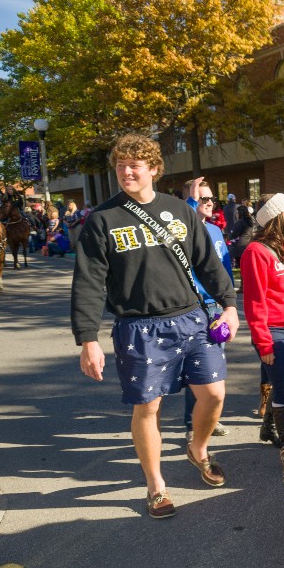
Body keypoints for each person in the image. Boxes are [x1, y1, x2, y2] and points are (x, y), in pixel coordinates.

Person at [71, 134, 238, 519]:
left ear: (154, 169)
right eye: (120, 166)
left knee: (214, 394)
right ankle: (156, 486)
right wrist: (88, 339)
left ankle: (198, 448)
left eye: (134, 165)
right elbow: (88, 283)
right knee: (148, 408)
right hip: (139, 328)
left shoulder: (179, 210)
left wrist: (229, 306)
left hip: (192, 319)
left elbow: (208, 264)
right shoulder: (102, 220)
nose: (126, 172)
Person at [241, 193, 284, 447]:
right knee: (282, 389)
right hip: (273, 332)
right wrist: (263, 343)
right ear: (276, 216)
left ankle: (268, 428)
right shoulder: (255, 252)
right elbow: (254, 302)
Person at [181, 177, 235, 441]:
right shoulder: (181, 230)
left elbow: (224, 269)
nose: (211, 203)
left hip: (215, 306)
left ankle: (210, 418)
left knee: (214, 365)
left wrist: (229, 303)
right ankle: (193, 424)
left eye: (212, 198)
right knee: (196, 367)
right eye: (204, 199)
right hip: (192, 306)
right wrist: (190, 204)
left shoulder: (214, 230)